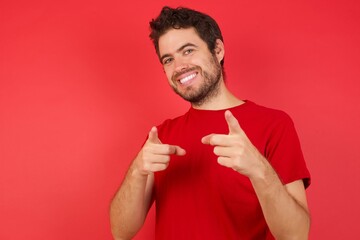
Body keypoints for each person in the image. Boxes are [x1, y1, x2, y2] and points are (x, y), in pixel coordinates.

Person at [110, 6, 311, 240]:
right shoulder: (161, 136)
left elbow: (296, 235)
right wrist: (136, 170)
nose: (179, 67)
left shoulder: (275, 124)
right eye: (168, 59)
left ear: (218, 50)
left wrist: (259, 171)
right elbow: (120, 232)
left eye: (188, 50)